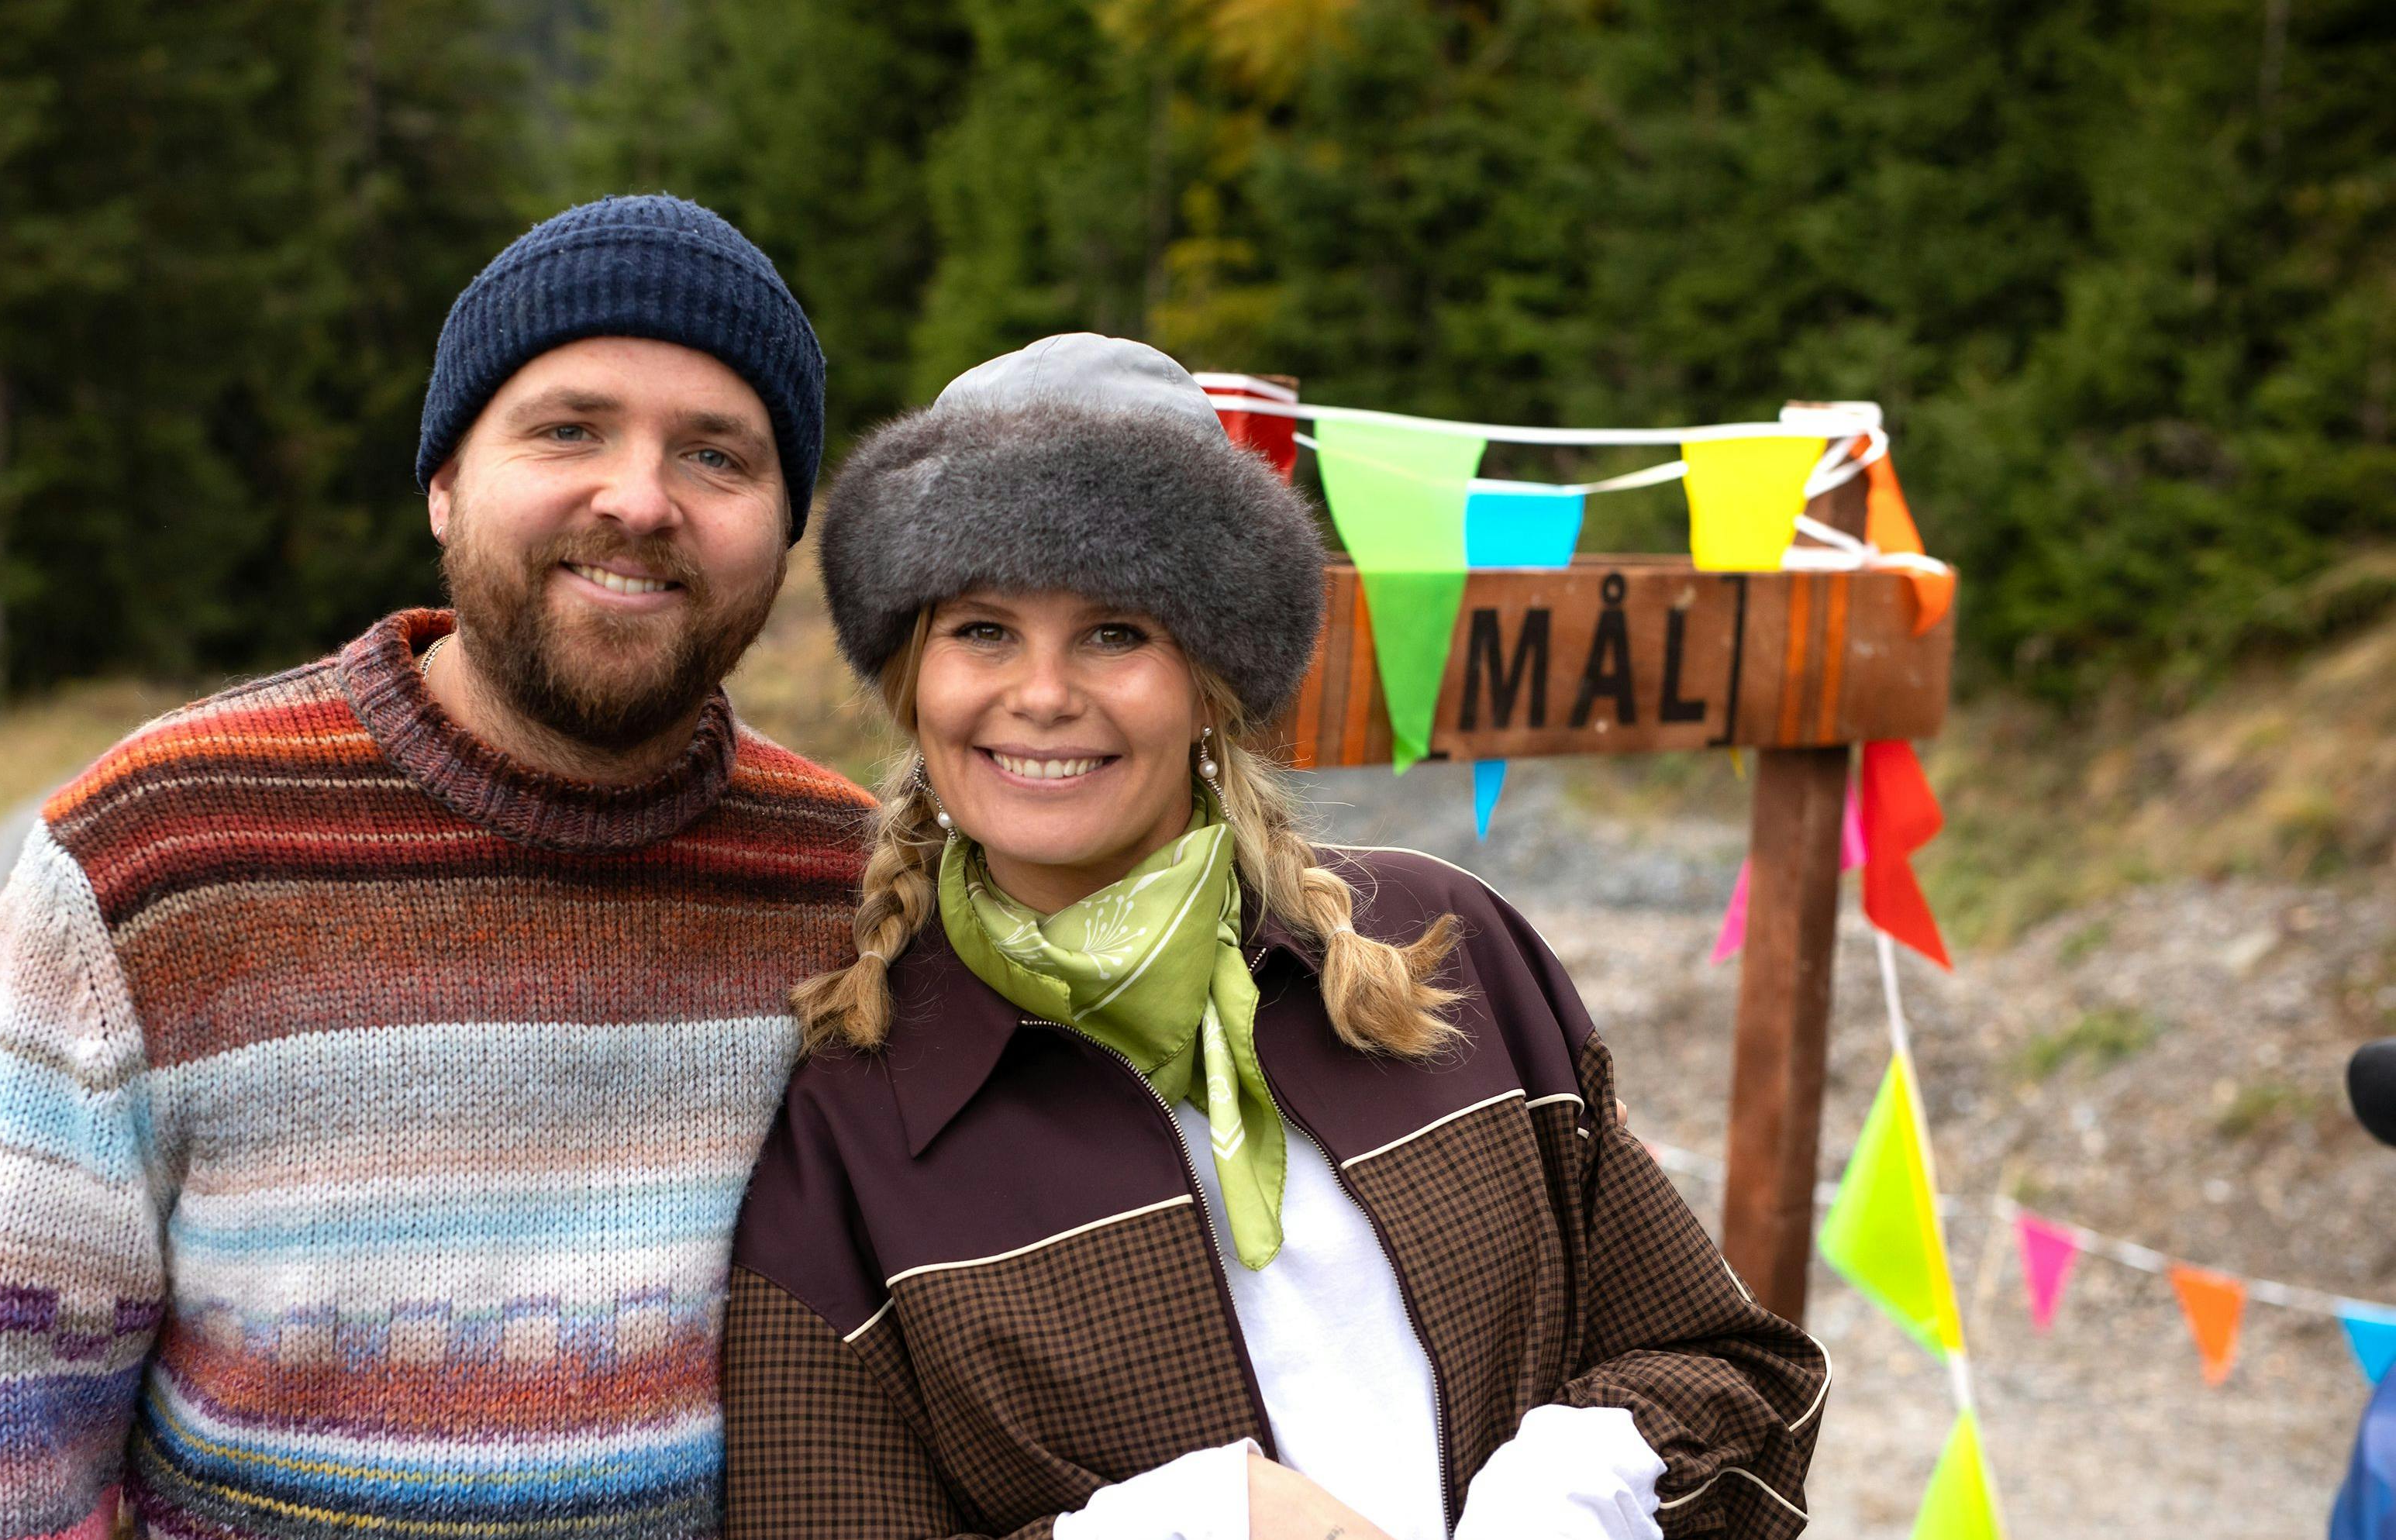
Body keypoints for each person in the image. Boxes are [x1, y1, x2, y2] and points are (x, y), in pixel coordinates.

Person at [0, 196, 874, 1540]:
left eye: (717, 455)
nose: (639, 498)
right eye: (569, 427)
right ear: (444, 481)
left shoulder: (858, 886)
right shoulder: (159, 851)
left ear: (784, 528)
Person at [721, 335, 1829, 1540]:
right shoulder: (850, 1128)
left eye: (1114, 633)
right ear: (912, 680)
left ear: (1211, 680)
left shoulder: (1449, 951)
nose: (1040, 693)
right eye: (983, 629)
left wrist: (1574, 1491)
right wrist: (1171, 1529)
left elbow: (1734, 1370)